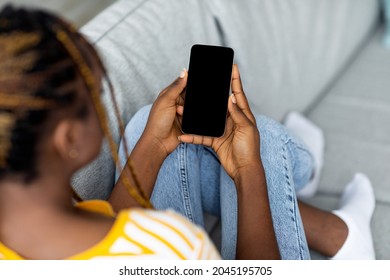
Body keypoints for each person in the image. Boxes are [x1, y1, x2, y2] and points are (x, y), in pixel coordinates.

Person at [0, 6, 375, 260]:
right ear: (68, 139)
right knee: (265, 142)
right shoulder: (171, 244)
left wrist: (152, 142)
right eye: (97, 101)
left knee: (154, 127)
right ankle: (325, 212)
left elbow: (100, 237)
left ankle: (313, 199)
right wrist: (249, 172)